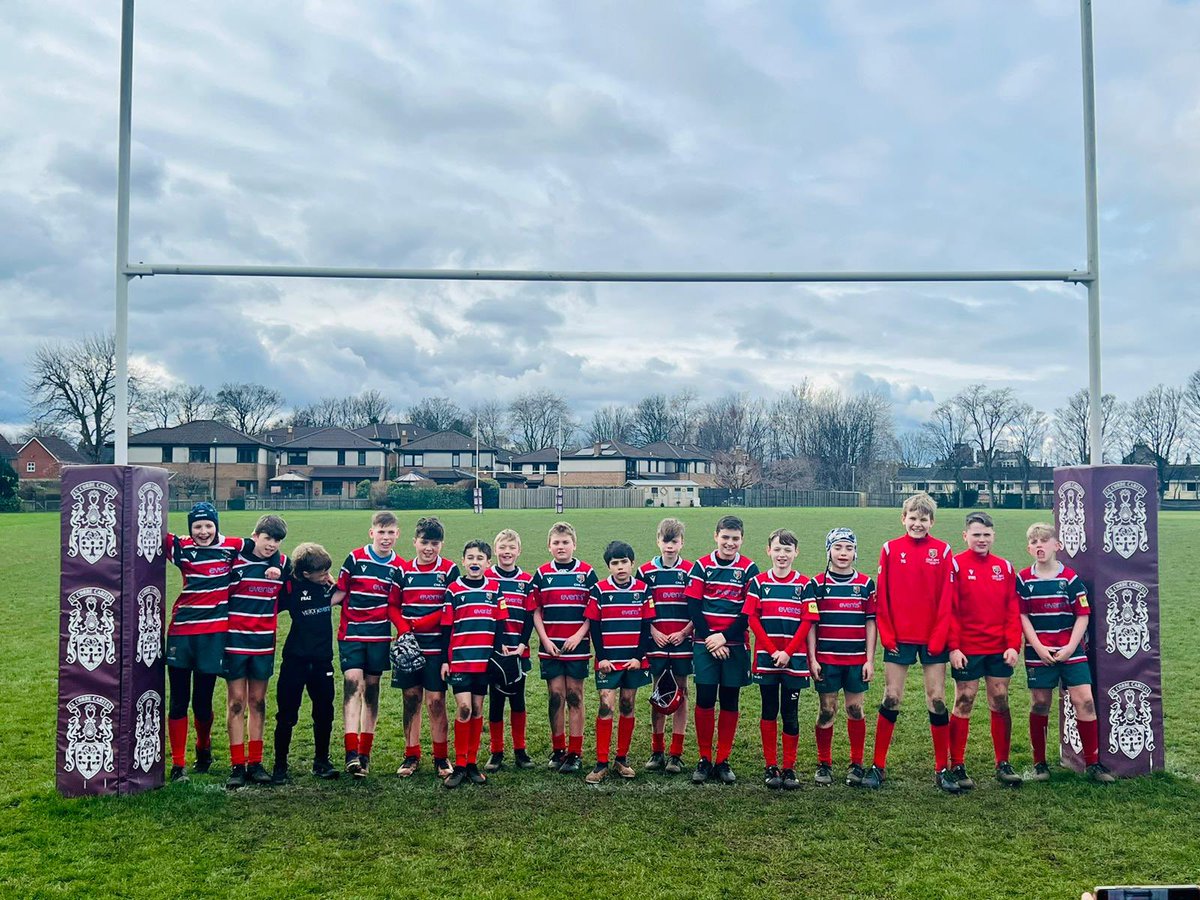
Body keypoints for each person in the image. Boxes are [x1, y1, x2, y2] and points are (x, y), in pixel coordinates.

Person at [865, 492, 957, 792]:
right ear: (903, 519)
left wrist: (939, 636)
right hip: (899, 637)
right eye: (913, 518)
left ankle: (942, 768)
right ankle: (878, 766)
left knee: (937, 699)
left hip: (933, 639)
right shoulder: (890, 549)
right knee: (891, 697)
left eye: (924, 519)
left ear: (932, 522)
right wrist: (888, 633)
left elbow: (947, 598)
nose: (918, 524)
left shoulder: (943, 551)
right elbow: (883, 595)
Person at [1018, 522, 1115, 783]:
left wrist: (1071, 647)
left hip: (1071, 651)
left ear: (1057, 545)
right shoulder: (1023, 579)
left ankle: (1093, 763)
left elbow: (1083, 615)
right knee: (1040, 703)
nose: (1039, 546)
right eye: (1034, 542)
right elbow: (1022, 616)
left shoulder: (1070, 578)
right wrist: (1038, 647)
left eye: (1044, 541)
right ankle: (1040, 763)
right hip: (1039, 652)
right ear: (1029, 549)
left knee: (1085, 701)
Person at [164, 502, 243, 782]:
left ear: (216, 526)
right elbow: (151, 528)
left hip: (212, 636)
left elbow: (264, 548)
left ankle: (203, 748)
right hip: (181, 633)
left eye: (209, 525)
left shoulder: (232, 547)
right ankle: (178, 764)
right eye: (197, 526)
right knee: (178, 700)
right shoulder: (182, 547)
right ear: (190, 528)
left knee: (202, 700)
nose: (203, 531)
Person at [946, 512, 1023, 788]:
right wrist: (954, 647)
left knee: (1000, 700)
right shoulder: (954, 565)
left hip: (999, 649)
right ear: (965, 536)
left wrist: (1013, 645)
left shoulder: (1004, 567)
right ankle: (957, 764)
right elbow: (950, 610)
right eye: (976, 534)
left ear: (994, 536)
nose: (982, 539)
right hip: (967, 648)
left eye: (986, 535)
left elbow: (1012, 609)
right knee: (964, 700)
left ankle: (1003, 763)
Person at [685, 515, 759, 785]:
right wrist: (710, 638)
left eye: (735, 538)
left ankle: (723, 760)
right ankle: (704, 758)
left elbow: (748, 612)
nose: (730, 543)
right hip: (705, 644)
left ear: (742, 540)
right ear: (715, 536)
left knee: (730, 700)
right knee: (705, 699)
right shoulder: (701, 566)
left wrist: (724, 638)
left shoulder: (749, 569)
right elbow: (694, 607)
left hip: (734, 644)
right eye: (725, 537)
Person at [744, 528, 819, 791]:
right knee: (768, 710)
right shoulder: (758, 583)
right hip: (767, 659)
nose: (782, 554)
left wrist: (788, 652)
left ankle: (789, 768)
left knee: (790, 713)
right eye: (777, 549)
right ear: (768, 551)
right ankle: (770, 766)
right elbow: (752, 619)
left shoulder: (804, 584)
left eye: (787, 550)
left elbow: (807, 621)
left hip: (794, 661)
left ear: (796, 552)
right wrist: (772, 650)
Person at [330, 511, 404, 778]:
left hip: (379, 637)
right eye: (381, 532)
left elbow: (399, 604)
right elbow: (340, 592)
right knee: (352, 684)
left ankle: (364, 754)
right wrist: (313, 607)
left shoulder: (400, 567)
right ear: (372, 533)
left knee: (371, 691)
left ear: (397, 535)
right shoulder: (355, 558)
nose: (385, 537)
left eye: (390, 532)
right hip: (351, 634)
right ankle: (351, 753)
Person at [390, 517, 459, 779]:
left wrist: (419, 623)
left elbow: (450, 608)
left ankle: (441, 757)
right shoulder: (403, 571)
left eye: (435, 543)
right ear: (414, 542)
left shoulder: (449, 570)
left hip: (436, 647)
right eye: (424, 542)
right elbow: (392, 605)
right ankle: (411, 755)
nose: (429, 548)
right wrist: (403, 628)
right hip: (409, 646)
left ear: (441, 544)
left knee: (436, 701)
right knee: (410, 698)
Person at [224, 514, 290, 789]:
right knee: (236, 702)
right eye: (267, 538)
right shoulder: (235, 560)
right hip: (235, 643)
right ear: (255, 536)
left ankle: (255, 762)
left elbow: (302, 580)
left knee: (258, 701)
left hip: (264, 644)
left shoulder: (283, 564)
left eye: (277, 540)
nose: (272, 544)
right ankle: (237, 765)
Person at [808, 528, 877, 787]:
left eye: (849, 548)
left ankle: (856, 763)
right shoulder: (816, 585)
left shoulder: (865, 585)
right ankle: (824, 763)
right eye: (837, 548)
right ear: (829, 551)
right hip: (827, 660)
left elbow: (871, 623)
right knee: (827, 710)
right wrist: (813, 658)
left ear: (855, 552)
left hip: (856, 660)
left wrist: (869, 659)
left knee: (855, 709)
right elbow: (811, 624)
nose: (843, 553)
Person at [439, 540, 510, 789]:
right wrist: (445, 660)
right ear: (463, 561)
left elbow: (500, 623)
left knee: (478, 709)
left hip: (484, 661)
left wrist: (498, 654)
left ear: (488, 563)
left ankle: (471, 763)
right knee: (465, 709)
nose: (474, 562)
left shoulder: (495, 589)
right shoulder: (454, 590)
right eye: (470, 557)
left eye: (480, 558)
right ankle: (459, 765)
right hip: (460, 661)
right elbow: (446, 628)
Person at [584, 541, 655, 785]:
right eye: (615, 563)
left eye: (624, 562)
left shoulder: (643, 590)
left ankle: (621, 759)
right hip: (608, 661)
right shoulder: (599, 590)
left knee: (627, 704)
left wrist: (638, 656)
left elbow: (646, 626)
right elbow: (594, 626)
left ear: (632, 563)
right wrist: (602, 656)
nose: (620, 567)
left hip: (633, 660)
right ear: (609, 567)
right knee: (606, 706)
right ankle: (601, 762)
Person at [531, 522, 598, 775]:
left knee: (575, 695)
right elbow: (536, 611)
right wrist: (545, 640)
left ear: (574, 545)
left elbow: (593, 611)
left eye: (565, 542)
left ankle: (575, 752)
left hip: (577, 646)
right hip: (551, 647)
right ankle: (558, 749)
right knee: (556, 696)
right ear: (549, 546)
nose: (561, 547)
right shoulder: (541, 574)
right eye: (556, 543)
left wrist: (579, 635)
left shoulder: (587, 573)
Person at [271, 542, 340, 783]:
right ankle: (280, 765)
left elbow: (347, 592)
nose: (326, 575)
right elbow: (269, 602)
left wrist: (333, 581)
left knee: (324, 712)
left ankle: (321, 762)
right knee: (287, 714)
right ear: (305, 573)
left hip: (322, 661)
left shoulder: (327, 587)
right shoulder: (290, 587)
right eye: (322, 572)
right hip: (295, 661)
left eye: (327, 571)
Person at [638, 517, 693, 774]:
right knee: (658, 692)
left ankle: (676, 754)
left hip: (682, 641)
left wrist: (684, 632)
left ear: (682, 543)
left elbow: (697, 608)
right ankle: (657, 750)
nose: (669, 546)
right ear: (657, 541)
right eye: (665, 541)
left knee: (682, 692)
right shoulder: (645, 571)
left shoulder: (691, 571)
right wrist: (653, 630)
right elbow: (639, 606)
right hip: (657, 641)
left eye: (674, 541)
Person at [483, 528, 537, 772]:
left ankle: (520, 750)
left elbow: (530, 615)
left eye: (511, 547)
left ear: (519, 551)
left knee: (518, 700)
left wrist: (523, 643)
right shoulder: (487, 577)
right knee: (496, 701)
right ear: (495, 550)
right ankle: (496, 752)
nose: (507, 552)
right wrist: (497, 644)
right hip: (494, 652)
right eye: (502, 547)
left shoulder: (526, 580)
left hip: (518, 651)